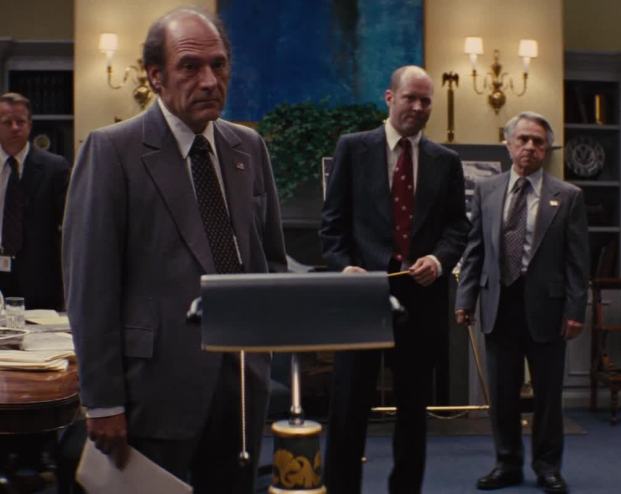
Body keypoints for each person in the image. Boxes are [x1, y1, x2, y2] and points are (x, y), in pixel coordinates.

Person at [62, 7, 287, 492]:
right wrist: (102, 401)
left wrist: (262, 355)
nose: (209, 80)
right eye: (190, 66)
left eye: (219, 65)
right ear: (156, 76)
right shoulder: (112, 151)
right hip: (151, 393)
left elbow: (269, 263)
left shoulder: (249, 148)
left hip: (240, 389)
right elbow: (90, 288)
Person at [320, 65, 469, 493]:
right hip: (361, 298)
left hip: (420, 302)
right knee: (348, 409)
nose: (418, 107)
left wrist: (438, 260)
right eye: (410, 98)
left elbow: (457, 228)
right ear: (389, 98)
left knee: (413, 413)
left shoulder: (446, 161)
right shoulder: (353, 148)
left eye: (426, 101)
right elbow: (332, 226)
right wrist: (344, 267)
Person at [454, 112, 588, 493]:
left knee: (547, 396)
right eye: (523, 140)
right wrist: (465, 298)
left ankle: (548, 467)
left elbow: (578, 262)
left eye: (538, 142)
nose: (530, 147)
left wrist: (575, 311)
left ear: (547, 149)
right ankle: (506, 463)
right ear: (508, 144)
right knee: (502, 394)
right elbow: (475, 249)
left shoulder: (568, 196)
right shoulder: (487, 190)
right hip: (499, 305)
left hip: (548, 308)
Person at [0, 92, 69, 310]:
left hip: (39, 279)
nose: (15, 128)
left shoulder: (54, 168)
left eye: (20, 122)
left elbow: (69, 224)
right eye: (7, 122)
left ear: (30, 125)